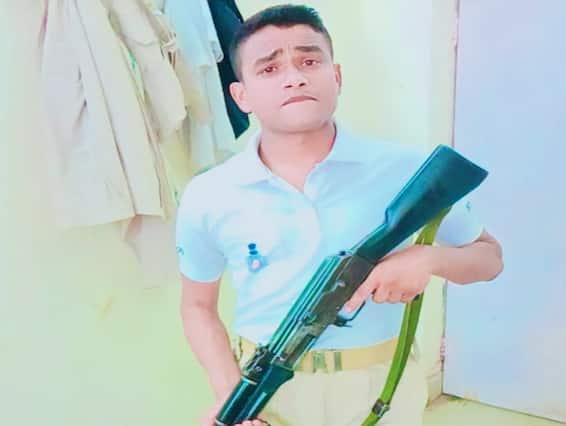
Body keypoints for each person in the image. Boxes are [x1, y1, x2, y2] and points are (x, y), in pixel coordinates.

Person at [175, 5, 504, 426]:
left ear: (337, 76)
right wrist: (230, 397)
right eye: (269, 68)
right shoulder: (209, 193)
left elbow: (489, 259)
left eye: (309, 61)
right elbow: (197, 307)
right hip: (269, 391)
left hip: (382, 383)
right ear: (242, 97)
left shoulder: (406, 171)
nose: (294, 77)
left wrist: (428, 259)